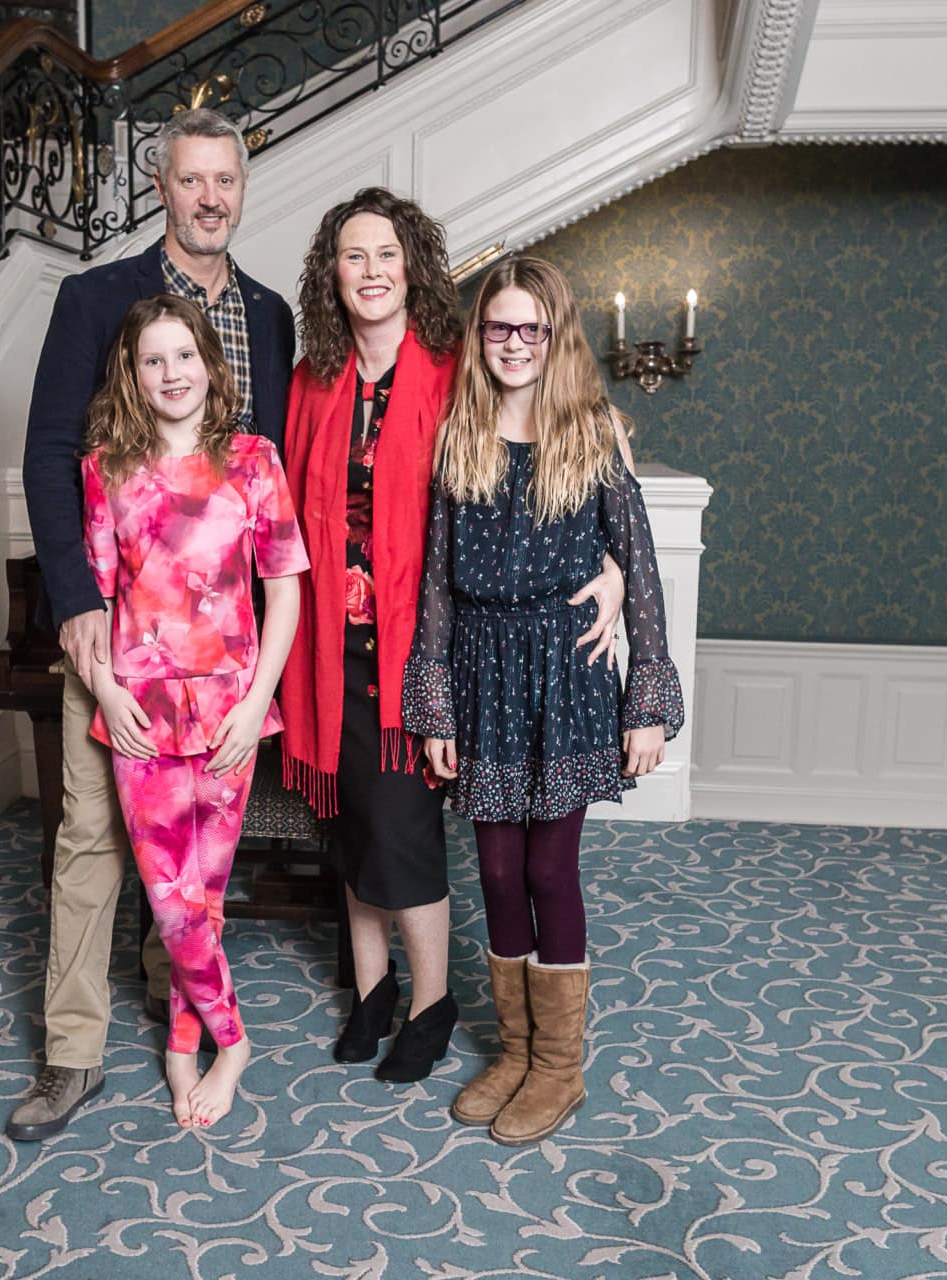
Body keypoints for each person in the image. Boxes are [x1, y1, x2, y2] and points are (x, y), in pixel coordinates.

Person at [277, 190, 628, 1084]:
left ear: (414, 268)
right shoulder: (314, 377)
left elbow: (527, 473)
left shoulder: (448, 374)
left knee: (404, 829)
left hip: (420, 644)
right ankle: (372, 991)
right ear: (331, 274)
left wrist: (616, 567)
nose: (371, 272)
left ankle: (432, 1000)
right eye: (352, 257)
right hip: (327, 642)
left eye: (386, 255)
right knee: (352, 825)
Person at [11, 108, 295, 1142]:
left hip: (225, 644)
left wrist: (266, 657)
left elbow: (261, 476)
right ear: (162, 188)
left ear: (239, 190)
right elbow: (51, 453)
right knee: (92, 833)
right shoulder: (96, 299)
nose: (210, 196)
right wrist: (78, 607)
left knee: (188, 858)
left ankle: (176, 1008)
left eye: (226, 180)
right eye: (191, 180)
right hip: (118, 634)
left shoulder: (269, 312)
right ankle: (72, 1053)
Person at [402, 255, 686, 1144]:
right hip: (484, 677)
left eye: (531, 328)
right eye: (498, 327)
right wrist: (437, 706)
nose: (514, 343)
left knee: (548, 869)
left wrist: (646, 699)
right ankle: (517, 1051)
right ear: (481, 335)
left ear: (555, 335)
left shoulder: (590, 432)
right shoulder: (461, 435)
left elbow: (637, 569)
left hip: (565, 674)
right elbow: (438, 588)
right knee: (492, 870)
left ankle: (560, 1069)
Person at [80, 295, 305, 1128]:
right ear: (133, 376)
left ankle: (183, 1047)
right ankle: (233, 1039)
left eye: (185, 356)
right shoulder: (107, 468)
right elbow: (98, 600)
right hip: (139, 711)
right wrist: (105, 689)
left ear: (211, 364)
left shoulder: (254, 461)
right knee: (169, 897)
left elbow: (283, 594)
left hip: (229, 713)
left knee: (201, 899)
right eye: (153, 360)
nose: (172, 373)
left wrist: (256, 706)